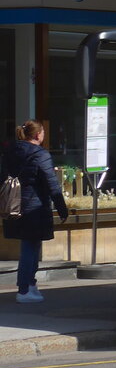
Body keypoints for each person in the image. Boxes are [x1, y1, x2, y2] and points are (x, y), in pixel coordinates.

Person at [2, 120, 68, 304]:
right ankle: (24, 289)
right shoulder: (41, 154)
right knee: (31, 247)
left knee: (30, 245)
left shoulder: (10, 152)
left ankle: (30, 285)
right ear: (38, 135)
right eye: (43, 132)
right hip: (34, 206)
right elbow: (51, 183)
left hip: (14, 205)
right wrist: (61, 207)